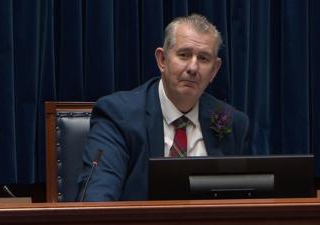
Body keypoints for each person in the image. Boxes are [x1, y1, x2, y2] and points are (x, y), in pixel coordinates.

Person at [80, 14, 249, 201]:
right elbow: (98, 197)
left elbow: (243, 199)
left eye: (203, 58)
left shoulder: (232, 122)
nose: (193, 68)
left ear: (214, 70)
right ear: (162, 59)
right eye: (184, 55)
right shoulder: (118, 115)